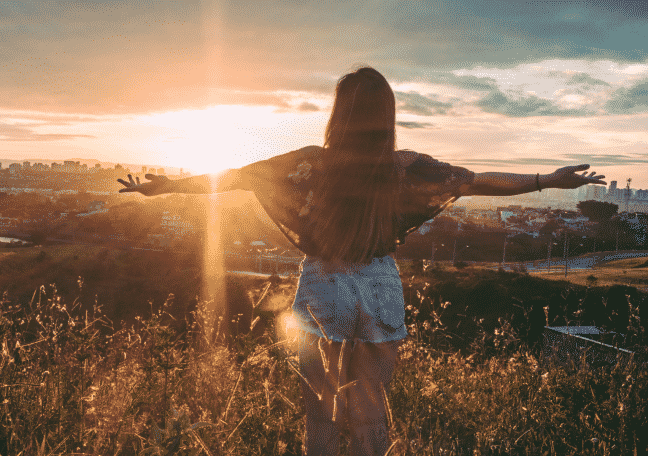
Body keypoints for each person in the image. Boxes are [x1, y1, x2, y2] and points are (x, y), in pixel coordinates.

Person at [118, 66, 605, 455]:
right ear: (386, 115)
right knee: (372, 408)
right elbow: (476, 179)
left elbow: (232, 177)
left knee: (322, 410)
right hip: (378, 285)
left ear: (339, 113)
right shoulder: (404, 167)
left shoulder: (309, 162)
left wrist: (164, 186)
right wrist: (547, 179)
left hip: (323, 284)